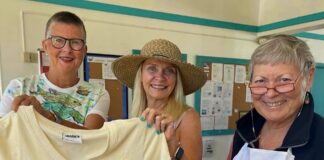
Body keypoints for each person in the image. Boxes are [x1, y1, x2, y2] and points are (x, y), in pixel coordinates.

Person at [0, 11, 110, 129]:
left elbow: (92, 140)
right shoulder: (19, 87)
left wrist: (45, 116)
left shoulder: (97, 94)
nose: (67, 49)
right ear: (45, 46)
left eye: (75, 42)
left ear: (84, 51)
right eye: (58, 40)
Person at [228, 34, 324, 160]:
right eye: (260, 81)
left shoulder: (320, 137)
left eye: (284, 80)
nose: (270, 93)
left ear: (309, 77)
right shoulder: (244, 130)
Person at [112, 39, 207, 160]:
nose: (160, 77)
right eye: (152, 68)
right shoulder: (138, 115)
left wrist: (172, 148)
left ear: (176, 79)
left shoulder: (187, 118)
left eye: (169, 70)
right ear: (141, 75)